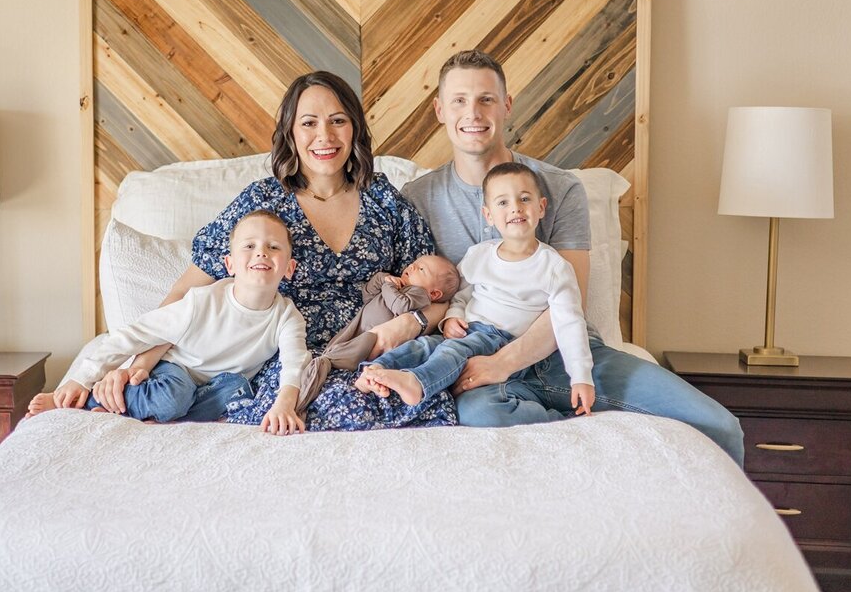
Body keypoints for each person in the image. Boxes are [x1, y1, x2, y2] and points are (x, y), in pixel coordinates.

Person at [401, 50, 745, 465]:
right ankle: (578, 437)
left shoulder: (561, 189)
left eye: (486, 99)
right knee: (480, 414)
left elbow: (570, 302)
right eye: (458, 100)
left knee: (719, 426)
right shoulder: (417, 199)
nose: (472, 112)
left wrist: (503, 363)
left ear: (507, 106)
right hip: (477, 359)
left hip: (568, 353)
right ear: (439, 109)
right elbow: (418, 296)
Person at [86, 71, 456, 431]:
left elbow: (438, 290)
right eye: (308, 123)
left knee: (425, 395)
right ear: (291, 134)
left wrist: (413, 322)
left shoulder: (384, 199)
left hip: (373, 349)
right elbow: (186, 292)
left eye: (338, 120)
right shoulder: (263, 203)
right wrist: (140, 363)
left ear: (355, 128)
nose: (324, 135)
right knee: (334, 405)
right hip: (293, 355)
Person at [29, 211, 309, 434]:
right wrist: (82, 378)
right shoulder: (202, 302)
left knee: (242, 394)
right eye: (249, 246)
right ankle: (88, 401)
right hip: (175, 372)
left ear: (289, 268)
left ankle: (146, 414)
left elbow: (294, 362)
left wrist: (285, 404)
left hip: (215, 387)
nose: (261, 252)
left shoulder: (287, 316)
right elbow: (136, 334)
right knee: (174, 396)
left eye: (273, 247)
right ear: (230, 264)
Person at [358, 161, 595, 415]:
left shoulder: (554, 267)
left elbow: (570, 322)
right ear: (489, 215)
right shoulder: (479, 255)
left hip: (502, 340)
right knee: (424, 346)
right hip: (469, 330)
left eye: (524, 198)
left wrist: (581, 376)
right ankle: (376, 371)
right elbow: (460, 295)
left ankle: (417, 383)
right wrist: (452, 317)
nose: (515, 207)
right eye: (503, 202)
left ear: (541, 207)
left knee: (451, 351)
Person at [299, 253, 459, 411]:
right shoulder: (399, 286)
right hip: (359, 327)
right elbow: (367, 295)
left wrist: (388, 286)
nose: (412, 266)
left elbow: (400, 306)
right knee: (339, 346)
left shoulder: (420, 294)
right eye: (414, 263)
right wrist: (382, 278)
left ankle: (325, 367)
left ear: (434, 294)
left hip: (376, 339)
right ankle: (325, 363)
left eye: (422, 269)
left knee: (348, 354)